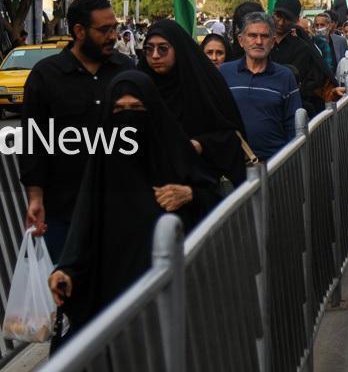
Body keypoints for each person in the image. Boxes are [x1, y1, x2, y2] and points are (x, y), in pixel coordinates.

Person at [47, 71, 219, 344]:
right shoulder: (102, 164)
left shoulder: (173, 152)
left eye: (137, 109)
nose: (128, 117)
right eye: (119, 109)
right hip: (112, 290)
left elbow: (216, 201)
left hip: (173, 288)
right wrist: (66, 270)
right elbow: (84, 224)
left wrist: (190, 194)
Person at [20, 0, 133, 259]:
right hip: (64, 211)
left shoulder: (126, 71)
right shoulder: (46, 76)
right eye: (104, 30)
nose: (113, 36)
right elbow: (33, 142)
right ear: (79, 31)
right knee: (67, 291)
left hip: (121, 208)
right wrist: (35, 198)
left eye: (114, 28)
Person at [140, 19, 249, 186]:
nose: (155, 55)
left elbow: (231, 139)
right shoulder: (139, 86)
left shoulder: (205, 84)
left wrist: (201, 145)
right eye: (149, 49)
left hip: (200, 190)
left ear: (178, 49)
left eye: (163, 49)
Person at [218, 12, 302, 161]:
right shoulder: (224, 72)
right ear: (241, 40)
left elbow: (293, 124)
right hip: (232, 165)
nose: (258, 41)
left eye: (264, 36)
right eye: (252, 35)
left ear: (273, 41)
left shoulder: (285, 76)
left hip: (275, 164)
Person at [271, 0, 331, 117]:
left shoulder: (302, 48)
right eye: (278, 16)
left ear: (296, 20)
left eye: (287, 18)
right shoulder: (262, 44)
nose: (281, 23)